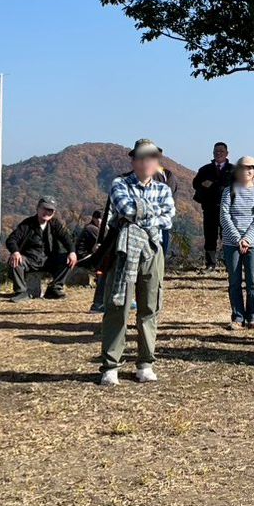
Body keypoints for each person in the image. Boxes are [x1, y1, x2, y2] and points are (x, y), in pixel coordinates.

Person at [100, 139, 176, 385]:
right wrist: (150, 213)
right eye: (142, 157)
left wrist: (140, 212)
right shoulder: (119, 183)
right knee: (118, 306)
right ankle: (111, 365)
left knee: (150, 307)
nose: (147, 162)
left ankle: (145, 363)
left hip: (153, 252)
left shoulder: (164, 189)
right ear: (133, 161)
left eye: (152, 157)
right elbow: (124, 208)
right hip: (125, 250)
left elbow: (169, 218)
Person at [221, 156, 254, 330]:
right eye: (243, 168)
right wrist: (238, 239)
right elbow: (224, 217)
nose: (247, 171)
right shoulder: (228, 191)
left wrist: (247, 239)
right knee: (234, 281)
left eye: (251, 168)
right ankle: (238, 317)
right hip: (231, 242)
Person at [5, 196, 78, 303]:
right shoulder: (27, 224)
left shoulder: (55, 224)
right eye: (44, 208)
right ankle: (21, 292)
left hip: (50, 260)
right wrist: (15, 252)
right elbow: (11, 240)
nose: (46, 212)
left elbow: (67, 239)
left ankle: (55, 288)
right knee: (15, 261)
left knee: (70, 259)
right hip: (30, 259)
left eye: (50, 210)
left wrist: (72, 252)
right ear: (38, 208)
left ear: (53, 212)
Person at [193, 142, 233, 270]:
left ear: (227, 153)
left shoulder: (234, 170)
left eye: (221, 151)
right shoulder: (205, 169)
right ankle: (210, 263)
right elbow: (195, 184)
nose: (218, 153)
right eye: (216, 151)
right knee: (210, 235)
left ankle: (230, 262)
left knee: (228, 235)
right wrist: (204, 186)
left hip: (228, 208)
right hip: (209, 207)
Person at [76, 211, 105, 313]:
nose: (101, 221)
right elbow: (104, 242)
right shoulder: (92, 229)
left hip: (87, 256)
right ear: (94, 218)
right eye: (99, 219)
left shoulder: (93, 228)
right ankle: (99, 303)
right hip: (83, 258)